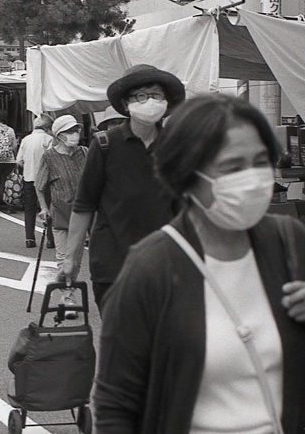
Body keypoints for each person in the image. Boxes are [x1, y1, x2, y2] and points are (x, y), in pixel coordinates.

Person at [94, 94, 305, 433]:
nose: (252, 179)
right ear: (187, 177)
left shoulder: (290, 242)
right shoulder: (151, 268)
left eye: (261, 161)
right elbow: (115, 403)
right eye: (233, 168)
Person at [62, 64, 185, 308]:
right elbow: (84, 205)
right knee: (120, 343)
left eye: (156, 95)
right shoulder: (105, 144)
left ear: (166, 102)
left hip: (166, 267)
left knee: (163, 344)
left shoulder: (176, 147)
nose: (149, 101)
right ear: (127, 103)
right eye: (141, 95)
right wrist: (70, 260)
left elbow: (187, 210)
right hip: (113, 265)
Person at [34, 115, 87, 312]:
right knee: (64, 255)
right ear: (59, 135)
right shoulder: (49, 157)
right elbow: (39, 186)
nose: (76, 135)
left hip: (83, 211)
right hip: (62, 210)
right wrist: (44, 208)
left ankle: (66, 283)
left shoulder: (85, 153)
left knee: (77, 257)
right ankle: (68, 295)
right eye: (71, 131)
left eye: (77, 130)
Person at [16, 114, 54, 248]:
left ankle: (29, 239)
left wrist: (28, 166)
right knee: (48, 207)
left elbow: (19, 160)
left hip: (29, 177)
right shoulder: (49, 139)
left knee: (29, 208)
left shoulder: (26, 139)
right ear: (47, 127)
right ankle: (50, 239)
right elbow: (52, 159)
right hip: (46, 179)